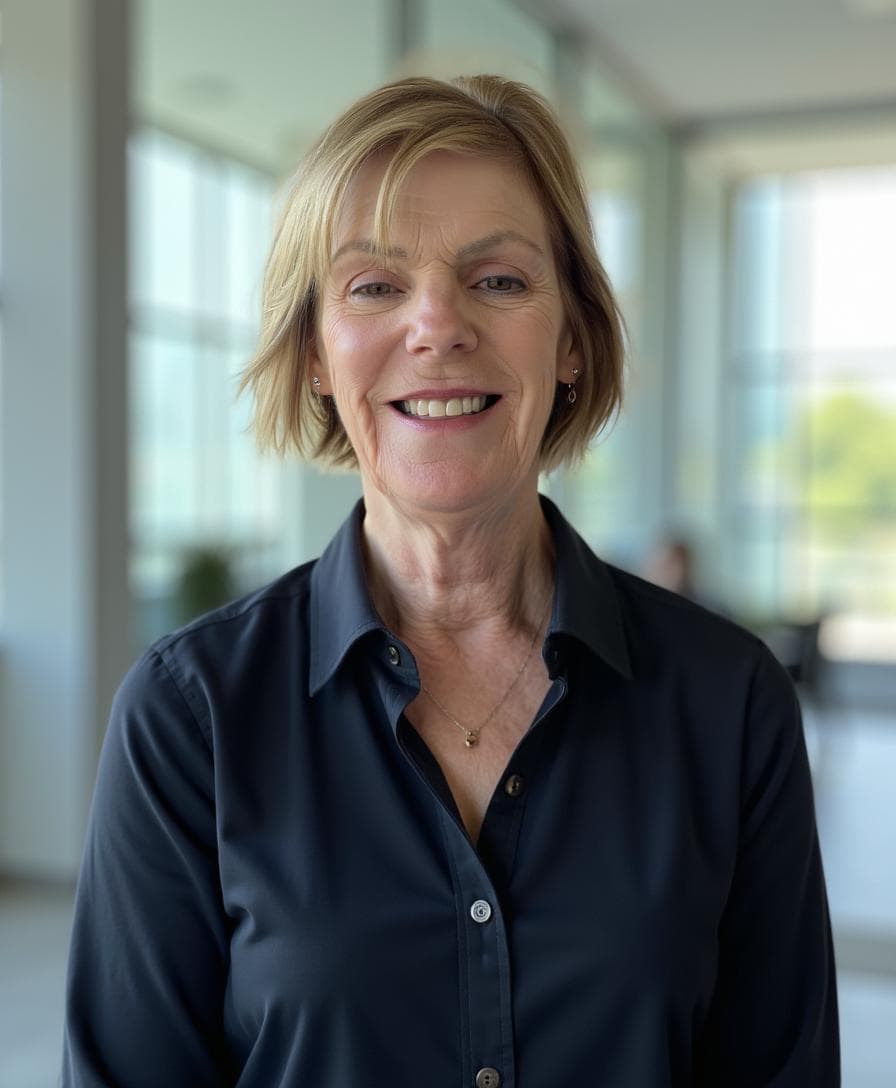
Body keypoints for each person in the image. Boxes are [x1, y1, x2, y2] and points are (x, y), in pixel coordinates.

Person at [62, 75, 839, 1086]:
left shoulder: (728, 701)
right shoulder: (191, 714)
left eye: (499, 280)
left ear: (571, 338)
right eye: (374, 286)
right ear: (312, 351)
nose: (437, 325)